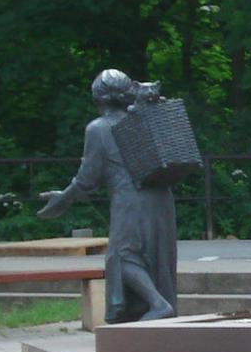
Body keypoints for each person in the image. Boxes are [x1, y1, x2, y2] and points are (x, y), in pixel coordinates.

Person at [38, 69, 178, 322]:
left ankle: (158, 304)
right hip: (161, 198)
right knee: (157, 257)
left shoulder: (99, 128)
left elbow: (87, 179)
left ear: (98, 97)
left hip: (130, 200)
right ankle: (149, 308)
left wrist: (63, 198)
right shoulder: (143, 121)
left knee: (122, 256)